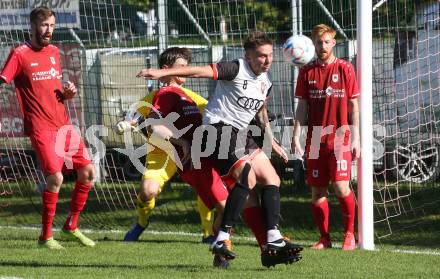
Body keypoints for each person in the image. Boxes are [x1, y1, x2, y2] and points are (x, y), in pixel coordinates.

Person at [136, 31, 303, 262]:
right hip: (218, 130)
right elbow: (199, 71)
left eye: (270, 55)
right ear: (248, 56)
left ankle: (271, 239)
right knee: (247, 180)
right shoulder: (235, 68)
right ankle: (223, 238)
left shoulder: (266, 82)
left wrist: (271, 140)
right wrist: (164, 73)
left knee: (271, 178)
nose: (267, 60)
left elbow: (260, 112)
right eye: (261, 56)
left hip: (240, 133)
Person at [0, 6, 96, 250]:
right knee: (56, 177)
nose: (49, 30)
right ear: (32, 27)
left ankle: (71, 226)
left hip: (64, 125)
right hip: (41, 128)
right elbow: (2, 81)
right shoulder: (19, 54)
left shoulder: (54, 52)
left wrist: (67, 93)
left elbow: (52, 90)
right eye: (44, 25)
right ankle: (45, 237)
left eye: (52, 25)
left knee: (88, 173)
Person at [119, 47, 217, 244]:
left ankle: (208, 234)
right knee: (148, 192)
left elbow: (213, 113)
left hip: (189, 151)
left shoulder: (190, 97)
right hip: (161, 152)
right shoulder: (157, 96)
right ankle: (141, 222)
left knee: (207, 189)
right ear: (166, 69)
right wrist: (126, 124)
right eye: (181, 67)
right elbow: (135, 117)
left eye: (187, 67)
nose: (185, 70)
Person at [291, 24, 360, 251]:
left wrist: (356, 137)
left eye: (327, 42)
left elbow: (353, 105)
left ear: (334, 43)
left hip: (341, 136)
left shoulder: (345, 68)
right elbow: (302, 106)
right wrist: (296, 134)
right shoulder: (306, 71)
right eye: (319, 42)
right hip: (315, 138)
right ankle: (325, 238)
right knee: (317, 192)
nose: (323, 46)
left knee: (341, 187)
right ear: (314, 43)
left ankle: (351, 234)